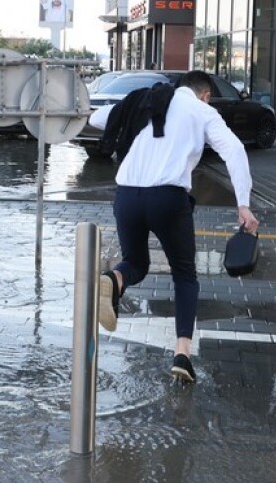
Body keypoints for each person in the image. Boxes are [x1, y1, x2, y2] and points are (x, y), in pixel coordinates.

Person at [90, 70, 259, 383]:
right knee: (184, 275)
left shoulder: (145, 102)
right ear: (205, 94)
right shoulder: (202, 110)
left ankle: (113, 279)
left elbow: (99, 118)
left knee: (135, 263)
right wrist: (243, 204)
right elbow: (234, 150)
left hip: (126, 195)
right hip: (167, 198)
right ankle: (182, 353)